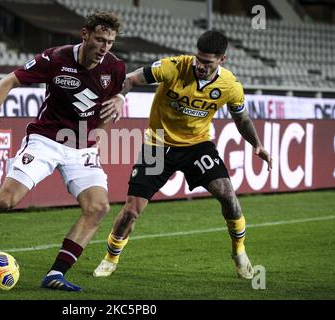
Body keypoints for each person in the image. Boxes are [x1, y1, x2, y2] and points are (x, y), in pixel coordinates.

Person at [0, 11, 126, 292]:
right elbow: (8, 81)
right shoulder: (55, 58)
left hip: (82, 149)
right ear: (85, 34)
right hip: (44, 141)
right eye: (100, 39)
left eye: (110, 42)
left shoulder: (114, 68)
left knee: (98, 207)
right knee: (5, 201)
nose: (104, 48)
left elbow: (113, 100)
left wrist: (116, 104)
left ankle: (55, 273)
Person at [94, 30, 273, 280]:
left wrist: (257, 144)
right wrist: (121, 96)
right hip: (157, 144)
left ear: (222, 60)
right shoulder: (173, 67)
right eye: (199, 58)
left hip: (196, 146)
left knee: (228, 196)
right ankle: (110, 259)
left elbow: (241, 118)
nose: (200, 65)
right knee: (132, 210)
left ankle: (239, 251)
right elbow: (131, 79)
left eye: (207, 62)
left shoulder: (230, 86)